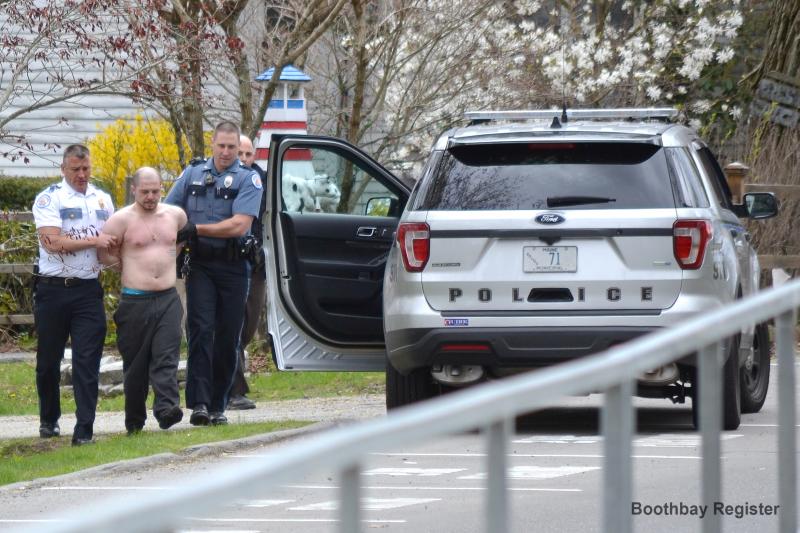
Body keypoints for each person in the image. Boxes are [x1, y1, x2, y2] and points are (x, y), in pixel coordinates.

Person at [165, 121, 263, 426]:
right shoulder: (192, 174)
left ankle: (220, 404)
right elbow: (168, 212)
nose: (225, 152)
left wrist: (196, 228)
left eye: (231, 147)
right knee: (200, 330)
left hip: (234, 267)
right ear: (212, 143)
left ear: (239, 148)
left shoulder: (249, 180)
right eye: (221, 146)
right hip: (201, 265)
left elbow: (239, 225)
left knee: (228, 335)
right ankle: (200, 404)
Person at [31, 144, 116, 446]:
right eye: (75, 169)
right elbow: (53, 242)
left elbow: (109, 250)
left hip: (87, 291)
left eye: (86, 169)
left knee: (87, 361)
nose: (82, 175)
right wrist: (96, 239)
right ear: (63, 169)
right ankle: (49, 419)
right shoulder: (49, 198)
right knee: (48, 362)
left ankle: (84, 429)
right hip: (53, 290)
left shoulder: (103, 199)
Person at [98, 167, 187, 434]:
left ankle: (167, 409)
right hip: (135, 301)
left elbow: (182, 238)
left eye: (155, 191)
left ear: (162, 188)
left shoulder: (175, 215)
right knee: (135, 366)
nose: (150, 196)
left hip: (168, 297)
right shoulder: (120, 220)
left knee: (167, 356)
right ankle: (134, 421)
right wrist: (128, 268)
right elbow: (104, 255)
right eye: (145, 191)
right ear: (134, 189)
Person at [227, 134, 266, 410]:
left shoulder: (263, 182)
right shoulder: (222, 182)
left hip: (256, 265)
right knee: (233, 327)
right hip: (229, 263)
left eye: (247, 154)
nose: (243, 159)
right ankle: (233, 390)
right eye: (239, 154)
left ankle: (232, 386)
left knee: (248, 328)